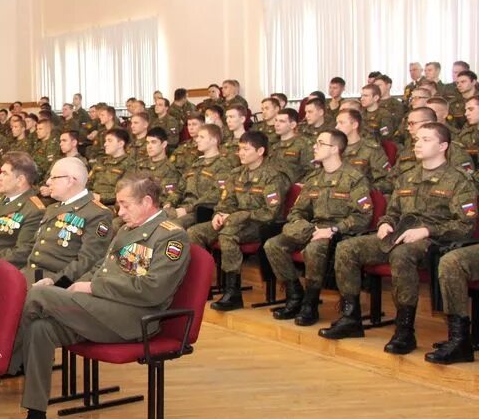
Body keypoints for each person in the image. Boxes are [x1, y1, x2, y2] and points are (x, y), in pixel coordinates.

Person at [0, 174, 191, 419]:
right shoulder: (126, 229)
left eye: (125, 205)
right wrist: (76, 285)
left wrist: (93, 286)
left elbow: (153, 290)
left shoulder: (172, 236)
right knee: (40, 329)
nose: (120, 212)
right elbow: (101, 267)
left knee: (38, 294)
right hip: (102, 312)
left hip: (134, 319)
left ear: (147, 202)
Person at [321, 122, 476, 353]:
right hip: (400, 234)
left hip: (436, 241)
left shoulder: (459, 180)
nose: (418, 143)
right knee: (347, 248)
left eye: (426, 139)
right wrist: (385, 223)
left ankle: (405, 331)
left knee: (401, 255)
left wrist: (428, 231)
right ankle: (351, 317)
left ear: (443, 145)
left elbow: (465, 225)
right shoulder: (407, 176)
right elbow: (392, 211)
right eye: (417, 139)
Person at [263, 130, 372, 325]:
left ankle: (310, 304)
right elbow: (297, 210)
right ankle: (295, 295)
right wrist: (303, 226)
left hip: (337, 233)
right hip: (311, 229)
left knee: (314, 249)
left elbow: (363, 216)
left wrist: (334, 230)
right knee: (273, 245)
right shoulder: (313, 179)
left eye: (321, 143)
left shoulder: (354, 178)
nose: (315, 146)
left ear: (335, 149)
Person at [188, 131, 290, 311]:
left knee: (228, 235)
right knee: (194, 233)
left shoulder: (273, 176)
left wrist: (234, 217)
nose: (240, 153)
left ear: (260, 151)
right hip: (232, 220)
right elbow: (226, 201)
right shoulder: (236, 174)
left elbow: (270, 212)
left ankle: (233, 292)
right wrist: (219, 214)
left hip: (259, 224)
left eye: (245, 149)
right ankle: (203, 284)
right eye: (239, 148)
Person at [25, 157, 113, 286]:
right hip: (32, 273)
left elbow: (88, 261)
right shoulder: (53, 208)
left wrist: (57, 283)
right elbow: (33, 247)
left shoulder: (98, 214)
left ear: (70, 181)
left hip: (56, 281)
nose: (48, 182)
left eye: (53, 177)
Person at [170, 124, 231, 228]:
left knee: (170, 227)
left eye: (202, 137)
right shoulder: (196, 163)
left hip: (200, 212)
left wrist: (188, 209)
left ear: (214, 140)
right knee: (151, 221)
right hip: (183, 208)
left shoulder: (222, 164)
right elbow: (180, 188)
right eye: (198, 137)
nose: (197, 140)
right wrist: (169, 202)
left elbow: (217, 194)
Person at [335, 108, 393, 194]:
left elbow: (387, 181)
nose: (337, 127)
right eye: (337, 123)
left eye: (341, 123)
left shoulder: (371, 149)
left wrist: (363, 190)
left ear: (354, 125)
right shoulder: (333, 148)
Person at [89, 128, 131, 205]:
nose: (105, 144)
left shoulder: (129, 164)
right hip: (92, 201)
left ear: (121, 144)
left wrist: (101, 197)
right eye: (105, 141)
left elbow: (126, 193)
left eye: (110, 141)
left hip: (111, 206)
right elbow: (88, 184)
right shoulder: (101, 162)